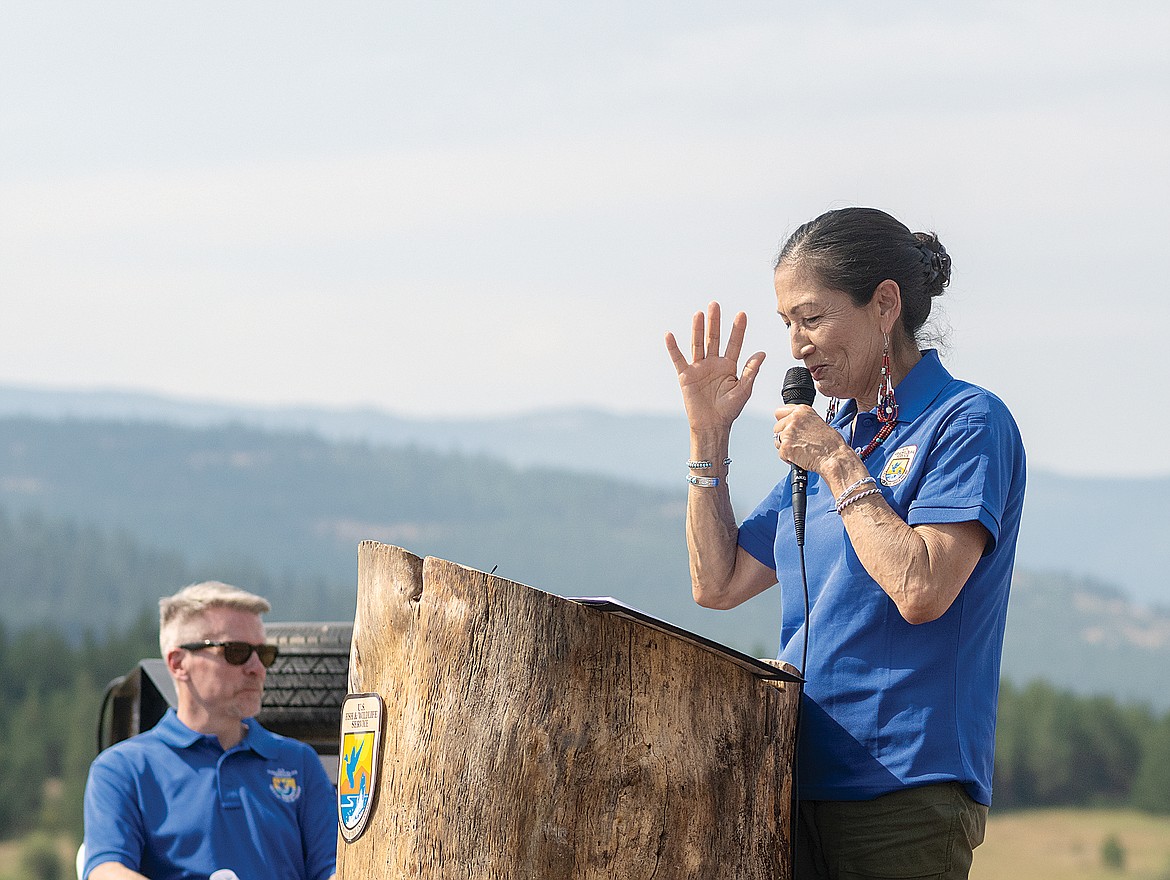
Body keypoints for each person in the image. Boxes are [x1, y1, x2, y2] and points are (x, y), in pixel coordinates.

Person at [665, 207, 1025, 880]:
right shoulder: (845, 434)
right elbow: (718, 584)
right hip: (791, 777)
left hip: (904, 791)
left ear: (884, 304)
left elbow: (922, 590)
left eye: (813, 317)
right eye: (786, 325)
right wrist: (708, 437)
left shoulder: (966, 422)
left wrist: (835, 464)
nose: (797, 345)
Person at [82, 581, 338, 880]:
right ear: (178, 664)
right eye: (237, 652)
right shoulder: (122, 769)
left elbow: (333, 869)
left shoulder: (298, 763)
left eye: (264, 653)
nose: (258, 668)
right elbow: (107, 871)